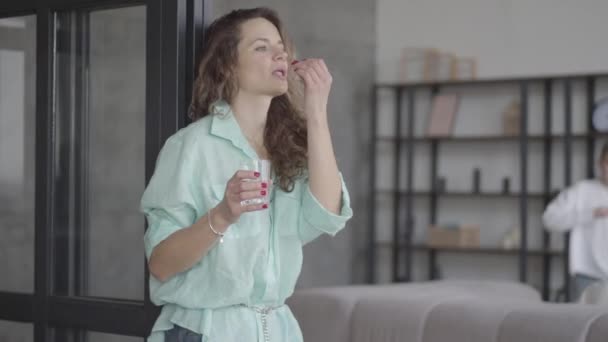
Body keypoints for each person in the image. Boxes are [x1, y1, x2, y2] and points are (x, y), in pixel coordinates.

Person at [140, 7, 353, 342]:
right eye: (261, 47)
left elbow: (327, 213)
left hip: (277, 332)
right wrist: (222, 215)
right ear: (228, 66)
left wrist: (316, 110)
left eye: (281, 46)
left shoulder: (290, 149)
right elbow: (161, 264)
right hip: (204, 332)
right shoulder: (191, 147)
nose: (280, 52)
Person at [542, 142, 608, 301]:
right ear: (600, 163)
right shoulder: (582, 190)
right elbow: (549, 219)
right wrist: (590, 214)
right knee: (583, 322)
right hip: (587, 275)